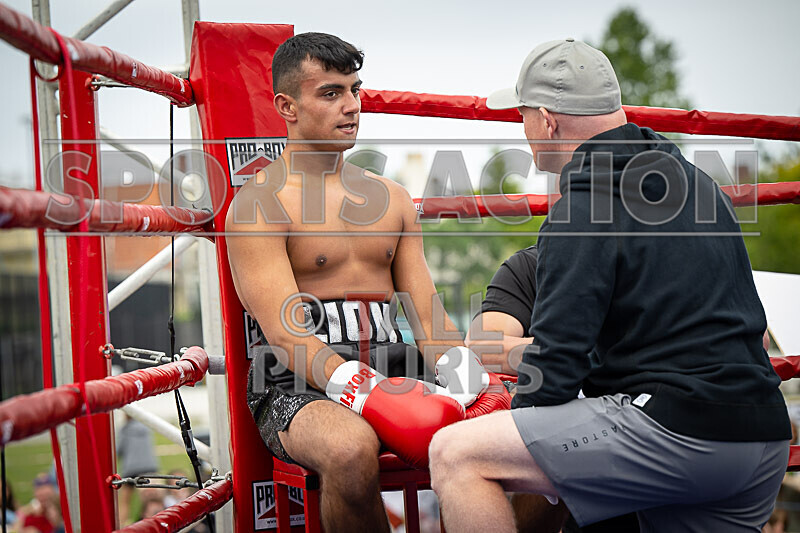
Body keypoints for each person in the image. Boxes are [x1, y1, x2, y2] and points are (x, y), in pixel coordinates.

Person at [429, 38, 791, 533]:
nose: (523, 128)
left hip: (680, 435)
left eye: (523, 115)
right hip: (764, 438)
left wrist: (517, 429)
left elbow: (554, 374)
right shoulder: (698, 183)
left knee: (457, 454)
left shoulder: (584, 204)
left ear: (548, 119)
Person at [226, 32, 506, 532]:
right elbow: (287, 334)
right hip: (295, 382)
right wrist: (362, 391)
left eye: (355, 90)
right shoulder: (259, 205)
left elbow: (426, 312)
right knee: (350, 449)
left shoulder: (392, 198)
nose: (351, 106)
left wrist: (467, 377)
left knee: (513, 430)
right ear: (286, 106)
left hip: (392, 361)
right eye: (330, 93)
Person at [466, 245, 640, 532]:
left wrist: (564, 356)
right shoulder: (531, 264)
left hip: (656, 421)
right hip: (585, 433)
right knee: (548, 419)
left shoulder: (651, 260)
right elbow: (482, 346)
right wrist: (572, 354)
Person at [116, 412, 159, 526]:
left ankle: (121, 525)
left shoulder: (124, 430)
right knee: (148, 500)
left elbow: (118, 449)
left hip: (131, 468)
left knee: (125, 501)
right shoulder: (146, 427)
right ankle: (151, 522)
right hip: (148, 467)